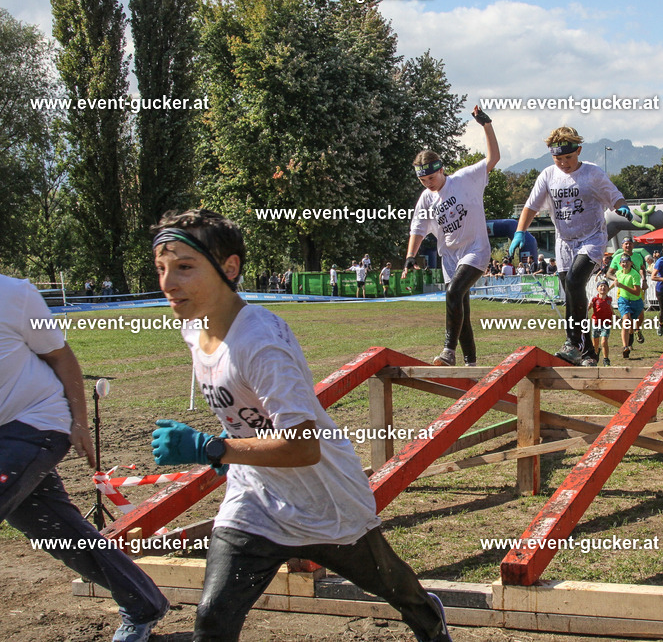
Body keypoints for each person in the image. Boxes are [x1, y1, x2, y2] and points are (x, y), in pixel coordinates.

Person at [150, 210, 451, 642]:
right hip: (254, 501)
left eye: (184, 267)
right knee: (212, 621)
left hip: (323, 500)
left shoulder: (259, 344)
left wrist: (211, 449)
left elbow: (305, 446)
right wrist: (231, 450)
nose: (168, 283)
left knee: (396, 589)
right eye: (161, 268)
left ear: (229, 268)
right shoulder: (195, 326)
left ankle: (429, 617)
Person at [0, 274, 169, 641]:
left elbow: (61, 356)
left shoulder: (14, 295)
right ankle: (143, 604)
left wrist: (79, 422)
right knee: (55, 529)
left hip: (37, 422)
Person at [510, 126, 630, 366]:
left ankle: (572, 343)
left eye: (569, 157)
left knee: (575, 282)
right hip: (564, 242)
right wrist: (520, 232)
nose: (564, 163)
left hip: (592, 238)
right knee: (572, 295)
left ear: (579, 151)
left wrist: (621, 206)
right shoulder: (548, 176)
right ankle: (588, 353)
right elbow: (531, 206)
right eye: (558, 159)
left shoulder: (592, 173)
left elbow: (614, 194)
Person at [404, 106, 499, 367]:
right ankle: (470, 364)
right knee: (461, 308)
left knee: (453, 292)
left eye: (431, 177)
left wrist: (486, 125)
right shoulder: (426, 198)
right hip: (450, 257)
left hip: (475, 250)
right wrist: (410, 256)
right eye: (423, 180)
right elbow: (418, 229)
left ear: (441, 169)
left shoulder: (466, 178)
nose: (428, 183)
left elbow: (493, 157)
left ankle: (448, 351)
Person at [606, 236, 648, 346]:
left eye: (630, 243)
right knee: (627, 316)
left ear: (633, 245)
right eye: (626, 243)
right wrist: (615, 279)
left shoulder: (638, 256)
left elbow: (642, 268)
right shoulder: (617, 257)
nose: (628, 245)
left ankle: (637, 329)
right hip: (622, 289)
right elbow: (609, 273)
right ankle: (629, 339)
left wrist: (644, 280)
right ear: (622, 246)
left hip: (635, 285)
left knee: (640, 313)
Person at [612, 256, 645, 359]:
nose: (624, 264)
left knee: (633, 323)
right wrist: (605, 291)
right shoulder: (618, 273)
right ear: (620, 264)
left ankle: (636, 332)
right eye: (622, 262)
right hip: (624, 300)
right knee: (626, 321)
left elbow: (636, 292)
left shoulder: (635, 275)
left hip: (636, 301)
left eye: (626, 262)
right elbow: (615, 282)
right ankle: (625, 347)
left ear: (631, 263)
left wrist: (622, 286)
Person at [589, 279, 614, 366]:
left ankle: (606, 359)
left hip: (606, 323)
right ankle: (595, 355)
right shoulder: (594, 299)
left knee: (604, 341)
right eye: (601, 286)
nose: (603, 288)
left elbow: (610, 308)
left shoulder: (609, 299)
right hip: (596, 323)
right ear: (597, 289)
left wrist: (615, 316)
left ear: (608, 289)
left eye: (605, 286)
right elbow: (588, 308)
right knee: (595, 344)